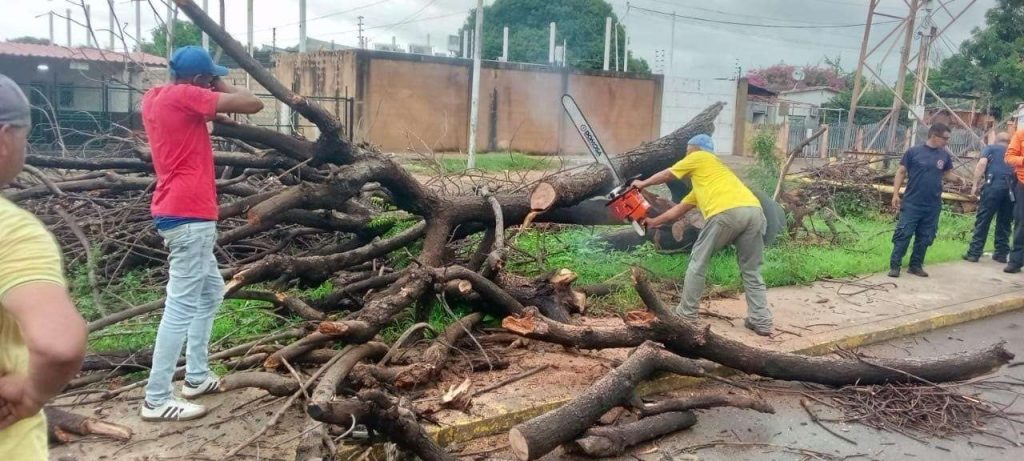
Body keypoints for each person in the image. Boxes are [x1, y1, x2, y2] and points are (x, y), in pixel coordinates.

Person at [141, 46, 263, 422]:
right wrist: (215, 87)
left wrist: (207, 92)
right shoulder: (186, 96)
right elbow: (253, 103)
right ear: (198, 80)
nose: (213, 83)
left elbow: (213, 113)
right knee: (180, 306)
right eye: (209, 78)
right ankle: (156, 398)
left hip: (178, 211)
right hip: (189, 215)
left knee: (210, 292)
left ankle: (196, 377)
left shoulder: (156, 97)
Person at [0, 74, 87, 459]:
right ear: (4, 139)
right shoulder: (11, 231)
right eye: (26, 134)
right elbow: (57, 345)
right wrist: (31, 394)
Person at [632, 134, 773, 336]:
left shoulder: (701, 157)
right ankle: (761, 320)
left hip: (726, 213)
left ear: (695, 149)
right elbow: (678, 210)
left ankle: (687, 314)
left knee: (698, 261)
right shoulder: (711, 178)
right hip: (754, 212)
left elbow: (669, 174)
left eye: (687, 151)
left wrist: (642, 184)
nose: (686, 156)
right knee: (751, 269)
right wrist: (654, 222)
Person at [888, 123, 954, 278]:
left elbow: (947, 174)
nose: (947, 142)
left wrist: (960, 179)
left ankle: (915, 266)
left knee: (925, 236)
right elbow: (901, 172)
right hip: (912, 203)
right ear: (934, 136)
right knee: (903, 234)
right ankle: (895, 266)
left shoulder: (944, 155)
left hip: (933, 204)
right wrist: (895, 194)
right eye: (945, 138)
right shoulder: (913, 152)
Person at [964, 132, 1015, 263]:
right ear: (1009, 142)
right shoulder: (1014, 151)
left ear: (996, 140)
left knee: (983, 220)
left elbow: (982, 164)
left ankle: (974, 253)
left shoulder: (990, 148)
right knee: (1005, 221)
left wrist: (975, 185)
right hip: (1011, 190)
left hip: (992, 187)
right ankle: (1001, 253)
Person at [999, 128, 1024, 273]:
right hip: (1022, 184)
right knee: (1021, 222)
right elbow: (1009, 157)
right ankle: (1016, 261)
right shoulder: (1021, 134)